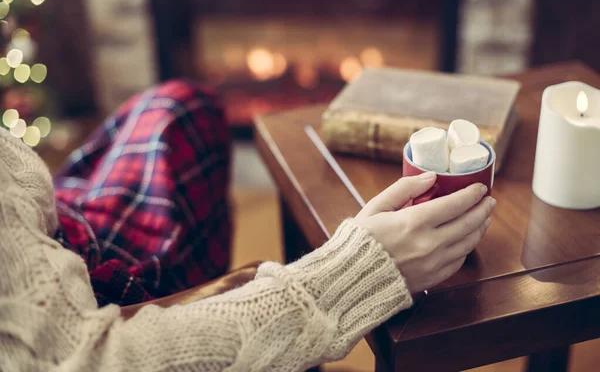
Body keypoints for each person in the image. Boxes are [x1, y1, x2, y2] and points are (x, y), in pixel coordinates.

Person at [0, 81, 495, 371]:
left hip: (54, 230)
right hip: (98, 295)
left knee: (179, 107)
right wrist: (357, 270)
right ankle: (197, 292)